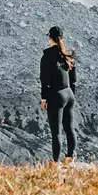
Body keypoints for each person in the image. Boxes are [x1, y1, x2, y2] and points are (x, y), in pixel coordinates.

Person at [39, 25, 77, 163]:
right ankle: (70, 158)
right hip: (69, 94)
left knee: (56, 132)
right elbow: (73, 79)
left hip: (56, 95)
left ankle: (55, 163)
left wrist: (44, 98)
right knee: (69, 129)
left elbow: (45, 80)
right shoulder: (66, 55)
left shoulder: (47, 56)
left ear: (50, 38)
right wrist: (72, 93)